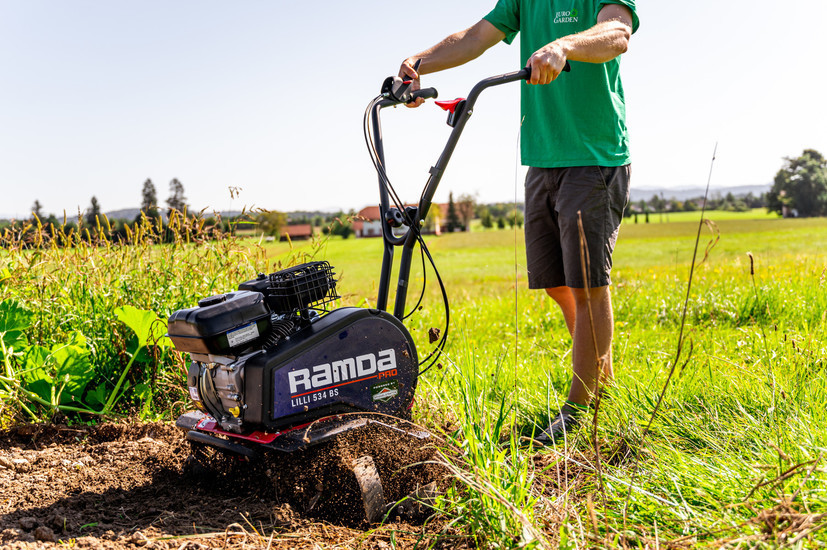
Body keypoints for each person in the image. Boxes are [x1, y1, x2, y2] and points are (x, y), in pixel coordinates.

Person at [399, 0, 639, 443]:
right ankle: (603, 378)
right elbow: (475, 38)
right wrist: (419, 63)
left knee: (588, 285)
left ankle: (580, 408)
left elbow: (617, 34)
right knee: (556, 282)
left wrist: (565, 45)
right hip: (542, 158)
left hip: (594, 156)